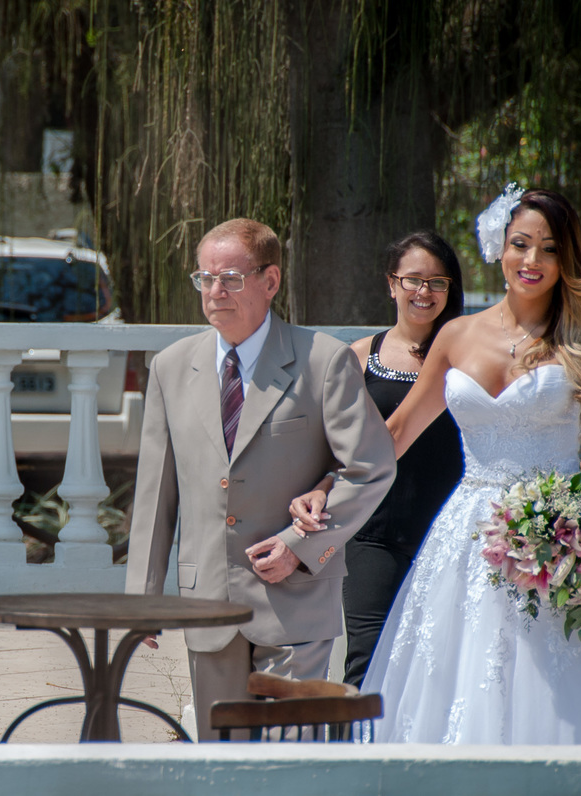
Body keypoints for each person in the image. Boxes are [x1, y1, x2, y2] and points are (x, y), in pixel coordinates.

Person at [291, 186, 581, 744]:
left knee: (570, 688)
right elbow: (391, 436)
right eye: (521, 244)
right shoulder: (455, 336)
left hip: (568, 540)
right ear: (499, 248)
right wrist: (326, 485)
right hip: (469, 536)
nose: (532, 260)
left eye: (548, 248)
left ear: (566, 260)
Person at [125, 218, 397, 741]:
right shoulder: (170, 367)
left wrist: (299, 544)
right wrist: (144, 597)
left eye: (229, 277)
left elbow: (371, 467)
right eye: (204, 279)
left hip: (296, 596)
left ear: (270, 282)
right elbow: (156, 493)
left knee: (288, 757)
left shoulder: (323, 361)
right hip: (208, 601)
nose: (214, 292)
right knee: (220, 756)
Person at [291, 232, 465, 687]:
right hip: (374, 532)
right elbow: (337, 449)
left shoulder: (470, 358)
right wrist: (321, 489)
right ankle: (358, 754)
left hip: (452, 529)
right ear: (391, 284)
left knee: (441, 665)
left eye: (437, 282)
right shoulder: (357, 357)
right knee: (366, 662)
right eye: (413, 279)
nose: (424, 292)